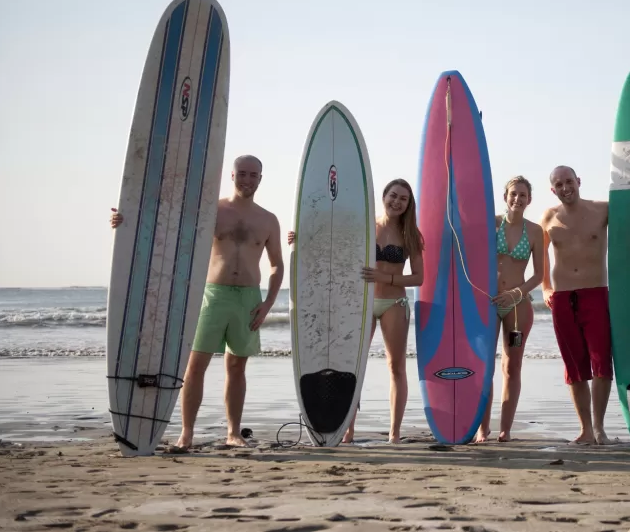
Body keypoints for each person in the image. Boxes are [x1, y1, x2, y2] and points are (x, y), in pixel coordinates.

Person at [109, 155, 284, 450]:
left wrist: (268, 303)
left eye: (254, 175)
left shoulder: (268, 219)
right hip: (212, 295)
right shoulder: (210, 211)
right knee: (195, 366)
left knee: (237, 367)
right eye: (242, 173)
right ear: (232, 175)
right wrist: (124, 221)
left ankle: (233, 433)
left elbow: (277, 265)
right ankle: (186, 433)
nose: (247, 180)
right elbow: (165, 229)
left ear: (261, 179)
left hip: (248, 299)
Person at [287, 178, 424, 444]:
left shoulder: (410, 234)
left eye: (403, 199)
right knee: (353, 366)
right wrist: (300, 238)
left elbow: (419, 278)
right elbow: (329, 245)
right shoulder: (364, 226)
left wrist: (386, 279)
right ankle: (347, 430)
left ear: (408, 205)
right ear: (383, 196)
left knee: (396, 367)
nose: (396, 202)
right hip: (360, 303)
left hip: (394, 304)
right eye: (393, 196)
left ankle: (394, 433)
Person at [539, 165, 614, 445]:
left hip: (595, 293)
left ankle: (599, 429)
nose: (565, 187)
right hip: (562, 298)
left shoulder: (603, 209)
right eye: (558, 184)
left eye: (568, 181)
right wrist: (545, 286)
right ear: (553, 189)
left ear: (578, 181)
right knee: (574, 366)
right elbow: (541, 253)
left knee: (601, 361)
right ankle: (585, 430)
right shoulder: (549, 216)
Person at [475, 175, 544, 443]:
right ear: (505, 196)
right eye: (513, 194)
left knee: (511, 368)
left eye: (523, 195)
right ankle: (483, 428)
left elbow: (538, 276)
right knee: (485, 369)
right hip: (488, 302)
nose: (517, 199)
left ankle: (505, 429)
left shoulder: (536, 231)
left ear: (529, 200)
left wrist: (515, 293)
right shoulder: (492, 224)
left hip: (518, 305)